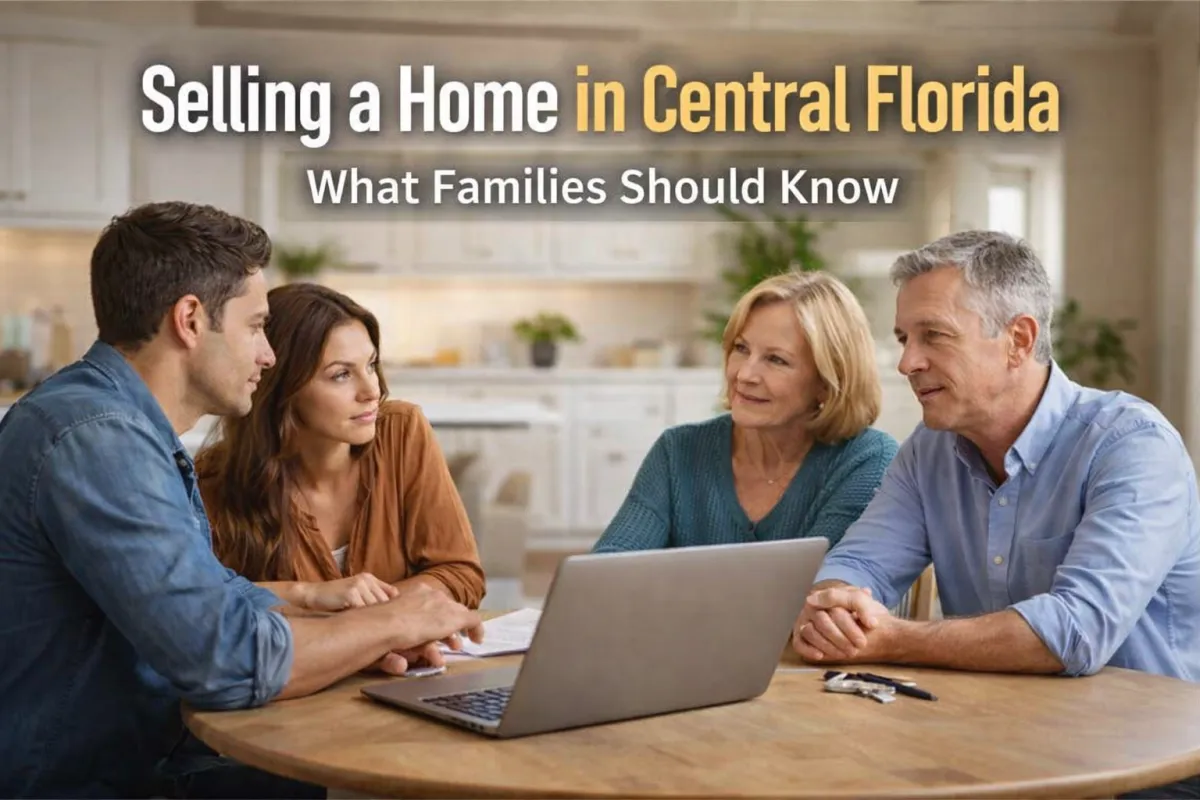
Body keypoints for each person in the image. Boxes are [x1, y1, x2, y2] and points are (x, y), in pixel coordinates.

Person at [0, 201, 483, 799]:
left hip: (139, 750)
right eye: (255, 326)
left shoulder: (121, 426)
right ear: (190, 320)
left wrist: (326, 608)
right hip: (91, 778)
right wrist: (396, 619)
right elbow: (224, 660)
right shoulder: (99, 435)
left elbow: (208, 599)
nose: (269, 354)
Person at [791, 230, 1200, 798]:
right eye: (904, 338)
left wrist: (889, 637)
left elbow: (1073, 633)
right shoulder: (929, 450)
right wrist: (832, 606)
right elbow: (858, 563)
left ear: (1018, 340)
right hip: (991, 754)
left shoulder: (1131, 444)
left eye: (934, 336)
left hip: (1149, 772)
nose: (908, 361)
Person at [195, 282, 486, 611]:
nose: (371, 390)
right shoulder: (212, 482)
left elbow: (460, 575)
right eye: (341, 375)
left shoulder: (401, 432)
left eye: (371, 365)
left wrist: (372, 630)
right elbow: (206, 610)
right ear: (281, 388)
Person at [592, 270, 898, 554]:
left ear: (828, 381)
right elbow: (607, 570)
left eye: (776, 360)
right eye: (741, 349)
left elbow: (821, 594)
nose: (744, 374)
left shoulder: (866, 461)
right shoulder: (679, 452)